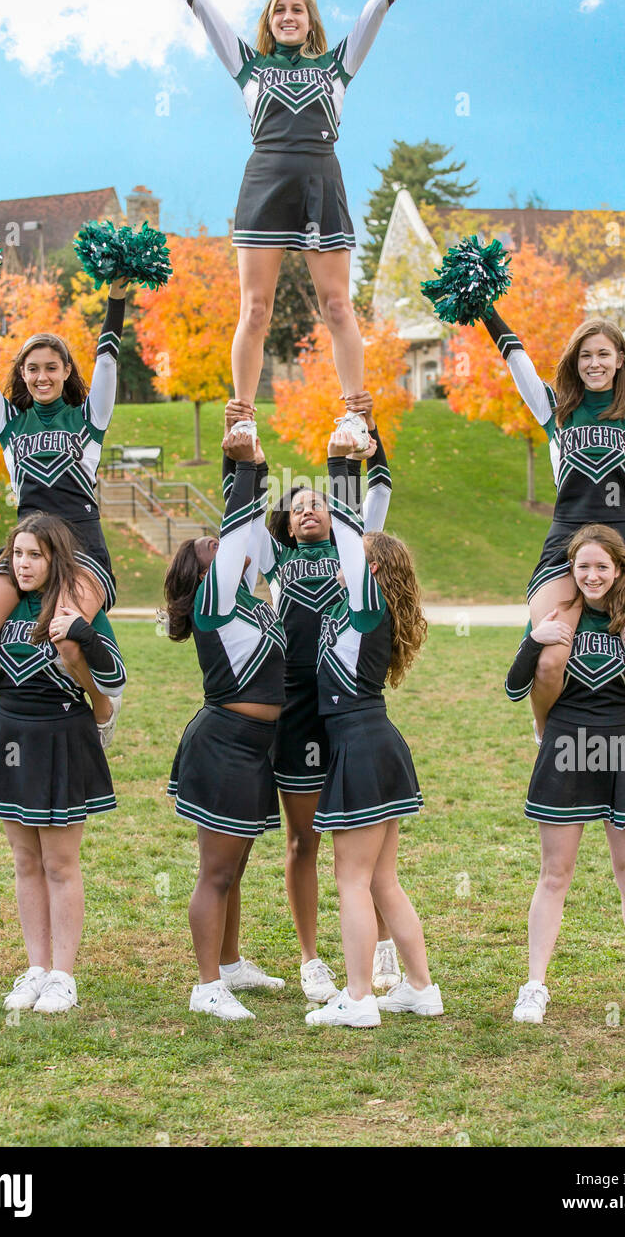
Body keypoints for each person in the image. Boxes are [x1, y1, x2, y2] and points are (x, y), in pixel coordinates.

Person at [158, 0, 425, 430]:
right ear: (269, 21)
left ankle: (354, 416)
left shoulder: (337, 67)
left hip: (322, 185)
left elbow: (377, 6)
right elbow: (202, 7)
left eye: (298, 9)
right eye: (280, 9)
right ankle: (242, 417)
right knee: (255, 309)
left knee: (339, 305)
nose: (288, 16)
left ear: (310, 22)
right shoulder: (249, 67)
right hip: (264, 187)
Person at [226, 393, 399, 1002]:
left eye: (318, 504)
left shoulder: (357, 547)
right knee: (304, 840)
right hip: (296, 706)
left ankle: (381, 949)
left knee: (364, 839)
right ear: (288, 522)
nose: (308, 512)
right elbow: (243, 517)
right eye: (297, 507)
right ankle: (309, 958)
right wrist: (242, 459)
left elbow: (377, 487)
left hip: (349, 708)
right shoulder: (273, 559)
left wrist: (367, 432)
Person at [480, 303, 625, 737]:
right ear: (574, 363)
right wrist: (485, 307)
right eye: (584, 355)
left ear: (620, 360)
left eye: (603, 354)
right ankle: (544, 734)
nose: (594, 363)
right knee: (552, 649)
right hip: (566, 541)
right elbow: (515, 358)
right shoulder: (555, 412)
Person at [505, 523, 625, 1025]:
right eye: (582, 566)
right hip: (566, 742)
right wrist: (533, 640)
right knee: (555, 874)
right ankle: (535, 985)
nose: (591, 575)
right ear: (572, 570)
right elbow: (513, 687)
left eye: (601, 566)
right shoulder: (556, 616)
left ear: (619, 568)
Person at [0, 513, 127, 1014]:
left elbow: (115, 678)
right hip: (10, 733)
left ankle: (64, 976)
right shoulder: (4, 608)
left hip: (62, 734)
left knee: (60, 863)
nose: (23, 564)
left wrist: (84, 635)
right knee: (26, 861)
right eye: (17, 554)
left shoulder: (72, 606)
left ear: (55, 559)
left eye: (35, 555)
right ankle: (37, 968)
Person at [304, 428, 442, 1028]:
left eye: (351, 551)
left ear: (372, 565)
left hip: (363, 747)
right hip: (373, 744)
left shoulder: (365, 604)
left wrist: (340, 461)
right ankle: (420, 988)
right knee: (382, 879)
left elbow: (343, 527)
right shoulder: (354, 609)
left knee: (353, 879)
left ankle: (358, 998)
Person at [0, 278, 131, 693]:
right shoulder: (9, 422)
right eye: (32, 368)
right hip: (25, 544)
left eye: (52, 367)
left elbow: (107, 360)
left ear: (67, 371)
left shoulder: (90, 418)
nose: (42, 376)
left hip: (81, 545)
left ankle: (104, 710)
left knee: (68, 637)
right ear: (22, 374)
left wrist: (116, 297)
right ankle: (19, 705)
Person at [162, 428, 287, 1021]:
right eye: (212, 549)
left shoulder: (252, 600)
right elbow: (240, 525)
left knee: (235, 864)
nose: (227, 549)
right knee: (216, 870)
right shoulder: (215, 605)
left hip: (258, 747)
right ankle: (206, 984)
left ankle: (232, 964)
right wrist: (243, 470)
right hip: (225, 745)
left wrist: (248, 458)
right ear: (201, 577)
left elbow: (249, 531)